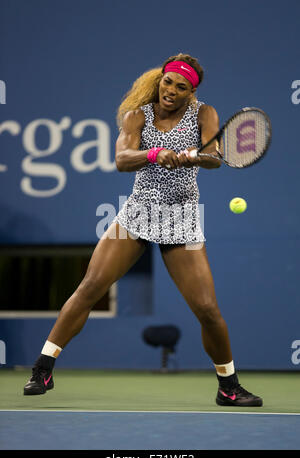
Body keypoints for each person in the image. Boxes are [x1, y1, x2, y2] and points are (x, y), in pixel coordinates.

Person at [24, 53, 262, 407]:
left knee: (208, 310)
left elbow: (215, 157)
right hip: (136, 215)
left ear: (190, 93)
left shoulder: (204, 114)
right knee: (89, 287)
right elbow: (121, 159)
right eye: (168, 82)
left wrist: (190, 155)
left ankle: (228, 386)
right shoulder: (138, 115)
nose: (172, 90)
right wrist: (154, 154)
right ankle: (43, 368)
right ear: (160, 79)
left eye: (182, 87)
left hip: (181, 220)